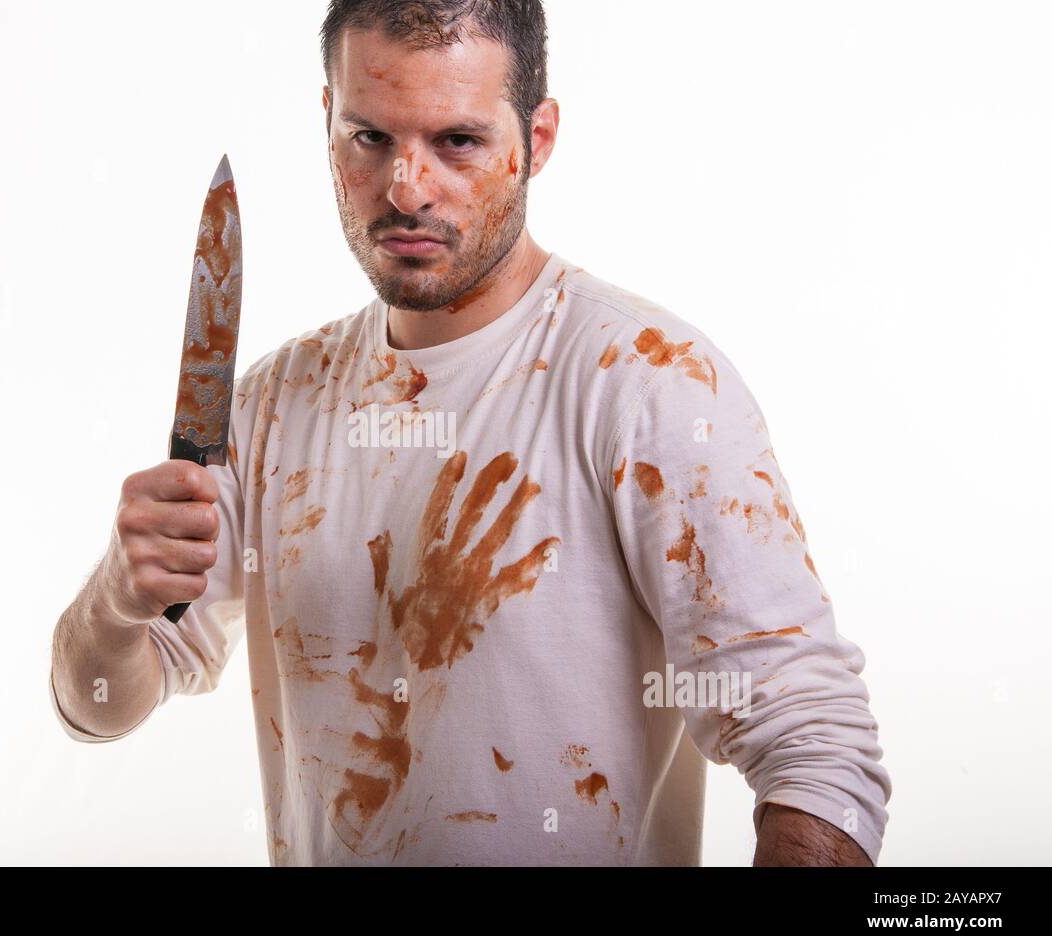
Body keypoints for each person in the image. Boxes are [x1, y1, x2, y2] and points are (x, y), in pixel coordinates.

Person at [49, 0, 891, 866]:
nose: (407, 187)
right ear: (327, 125)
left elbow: (816, 755)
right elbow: (97, 703)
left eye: (457, 141)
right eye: (369, 137)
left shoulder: (647, 382)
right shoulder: (272, 405)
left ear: (540, 137)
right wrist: (117, 598)